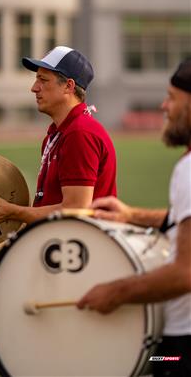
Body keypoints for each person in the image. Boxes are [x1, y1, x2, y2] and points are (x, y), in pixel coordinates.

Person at [77, 58, 191, 377]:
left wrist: (114, 292)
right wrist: (131, 216)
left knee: (149, 364)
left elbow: (185, 274)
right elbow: (183, 219)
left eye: (172, 96)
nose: (163, 105)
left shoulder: (188, 170)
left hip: (182, 349)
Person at [0, 45, 117, 226]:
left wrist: (10, 211)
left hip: (82, 248)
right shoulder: (60, 133)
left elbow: (76, 209)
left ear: (69, 86)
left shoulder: (79, 133)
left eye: (43, 80)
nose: (34, 88)